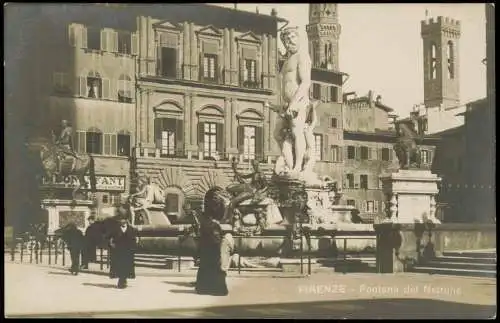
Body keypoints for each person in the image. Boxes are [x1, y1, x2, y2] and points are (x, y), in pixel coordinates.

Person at [275, 26, 312, 177]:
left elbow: (305, 82)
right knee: (277, 134)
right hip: (286, 105)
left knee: (297, 132)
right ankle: (290, 164)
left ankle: (297, 167)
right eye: (286, 39)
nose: (289, 41)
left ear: (298, 38)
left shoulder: (302, 55)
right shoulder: (285, 62)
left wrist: (294, 102)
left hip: (299, 101)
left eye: (292, 37)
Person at [195, 188, 234, 296]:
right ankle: (208, 288)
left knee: (213, 262)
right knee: (210, 261)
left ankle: (209, 288)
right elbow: (206, 219)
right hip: (210, 235)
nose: (216, 199)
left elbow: (224, 219)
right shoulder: (210, 207)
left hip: (212, 236)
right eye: (215, 197)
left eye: (218, 197)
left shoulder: (221, 207)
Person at [223, 158, 268, 223]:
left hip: (251, 191)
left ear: (258, 165)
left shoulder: (261, 175)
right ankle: (228, 214)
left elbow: (266, 186)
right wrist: (235, 169)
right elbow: (244, 176)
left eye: (255, 165)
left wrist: (260, 192)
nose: (254, 167)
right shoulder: (254, 173)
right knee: (229, 188)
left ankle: (229, 218)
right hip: (247, 186)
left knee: (234, 201)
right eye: (253, 165)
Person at [108, 215, 137, 289]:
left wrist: (133, 247)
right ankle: (122, 280)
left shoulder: (132, 229)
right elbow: (110, 239)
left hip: (128, 251)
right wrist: (112, 245)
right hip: (118, 251)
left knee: (126, 266)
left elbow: (135, 239)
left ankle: (123, 280)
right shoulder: (115, 229)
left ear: (127, 220)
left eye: (124, 220)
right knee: (119, 266)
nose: (122, 221)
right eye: (121, 220)